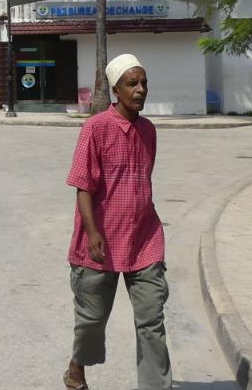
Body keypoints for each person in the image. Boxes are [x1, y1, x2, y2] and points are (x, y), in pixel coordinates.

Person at [63, 53, 170, 390]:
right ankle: (76, 367)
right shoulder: (95, 128)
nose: (140, 89)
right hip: (101, 241)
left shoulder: (148, 130)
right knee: (92, 320)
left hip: (144, 239)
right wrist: (92, 232)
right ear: (116, 90)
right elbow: (83, 186)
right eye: (132, 83)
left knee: (151, 319)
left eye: (144, 83)